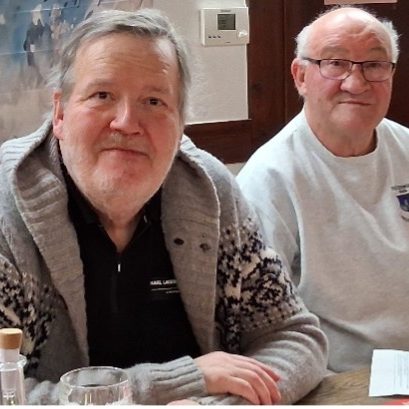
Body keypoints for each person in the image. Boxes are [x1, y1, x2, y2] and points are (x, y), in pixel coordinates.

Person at [0, 8, 327, 405]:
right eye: (102, 96)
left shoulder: (209, 192)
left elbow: (292, 336)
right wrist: (179, 381)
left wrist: (211, 406)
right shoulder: (7, 211)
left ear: (180, 123)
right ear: (60, 113)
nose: (126, 122)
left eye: (154, 101)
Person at [237, 5, 409, 373]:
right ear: (300, 76)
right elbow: (259, 329)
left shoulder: (406, 148)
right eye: (335, 63)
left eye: (374, 65)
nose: (356, 83)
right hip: (336, 379)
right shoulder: (269, 179)